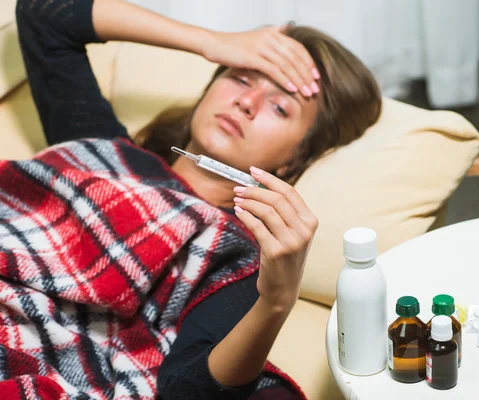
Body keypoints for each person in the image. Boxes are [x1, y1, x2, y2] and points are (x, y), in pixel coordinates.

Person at [14, 0, 382, 398]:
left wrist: (276, 300)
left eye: (279, 106)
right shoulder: (105, 146)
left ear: (296, 160)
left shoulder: (235, 253)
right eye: (241, 78)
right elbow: (42, 14)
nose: (247, 102)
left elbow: (185, 389)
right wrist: (210, 41)